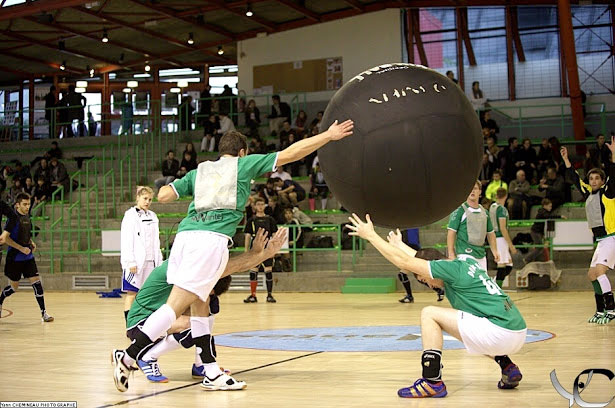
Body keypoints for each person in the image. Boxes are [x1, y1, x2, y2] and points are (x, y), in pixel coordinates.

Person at [112, 120, 354, 392]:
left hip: (184, 237)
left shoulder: (200, 170)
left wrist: (185, 189)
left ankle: (211, 372)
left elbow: (165, 194)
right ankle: (130, 356)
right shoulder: (243, 165)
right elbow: (291, 153)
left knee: (200, 306)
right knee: (173, 307)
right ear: (242, 152)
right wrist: (329, 135)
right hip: (209, 240)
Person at [346, 215, 526, 398]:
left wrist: (371, 235)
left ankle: (432, 381)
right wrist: (400, 246)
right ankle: (508, 366)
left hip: (501, 333)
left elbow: (405, 263)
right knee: (464, 327)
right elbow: (424, 260)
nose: (430, 286)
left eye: (425, 280)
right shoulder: (465, 263)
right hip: (517, 330)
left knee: (429, 314)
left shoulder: (449, 271)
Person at [127, 228, 286, 387]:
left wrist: (259, 253)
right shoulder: (182, 267)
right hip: (141, 323)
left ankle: (201, 365)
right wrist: (263, 254)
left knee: (206, 312)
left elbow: (232, 267)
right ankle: (147, 357)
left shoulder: (189, 263)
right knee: (194, 325)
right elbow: (235, 266)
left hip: (156, 318)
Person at [562, 144, 615, 324]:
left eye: (597, 178)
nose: (593, 181)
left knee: (600, 271)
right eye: (591, 178)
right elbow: (575, 179)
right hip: (601, 241)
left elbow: (613, 176)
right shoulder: (587, 193)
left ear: (602, 181)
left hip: (611, 238)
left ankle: (611, 309)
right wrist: (566, 160)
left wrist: (613, 154)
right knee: (592, 274)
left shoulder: (608, 193)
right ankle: (600, 311)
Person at [0, 193, 53, 322]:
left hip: (27, 257)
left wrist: (30, 242)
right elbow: (6, 239)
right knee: (13, 288)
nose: (27, 207)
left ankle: (44, 313)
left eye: (28, 204)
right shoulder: (12, 219)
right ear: (17, 205)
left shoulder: (27, 216)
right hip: (15, 258)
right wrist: (21, 248)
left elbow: (26, 232)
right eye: (24, 204)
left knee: (36, 282)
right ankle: (1, 300)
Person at [120, 186, 163, 323]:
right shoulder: (130, 215)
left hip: (151, 262)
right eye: (145, 198)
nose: (147, 202)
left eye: (150, 199)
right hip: (136, 263)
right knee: (132, 293)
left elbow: (156, 240)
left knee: (148, 294)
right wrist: (130, 261)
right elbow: (127, 240)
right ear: (137, 198)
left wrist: (159, 261)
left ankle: (144, 322)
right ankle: (129, 324)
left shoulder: (153, 216)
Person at [447, 180, 499, 270]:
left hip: (481, 254)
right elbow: (451, 232)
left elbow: (490, 233)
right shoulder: (459, 211)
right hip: (465, 254)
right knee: (468, 283)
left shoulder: (485, 212)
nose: (472, 191)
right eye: (469, 189)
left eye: (475, 188)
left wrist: (494, 250)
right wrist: (451, 253)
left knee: (482, 282)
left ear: (480, 191)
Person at [243, 198, 278, 303]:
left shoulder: (270, 219)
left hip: (267, 247)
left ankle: (269, 295)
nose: (260, 206)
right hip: (255, 248)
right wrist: (246, 251)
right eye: (258, 204)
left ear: (265, 206)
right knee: (253, 271)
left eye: (262, 204)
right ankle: (253, 295)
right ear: (255, 206)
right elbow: (248, 236)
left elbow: (274, 235)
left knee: (268, 271)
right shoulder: (252, 220)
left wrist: (274, 249)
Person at [489, 188, 518, 288]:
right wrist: (511, 245)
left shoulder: (492, 207)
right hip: (500, 239)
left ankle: (496, 283)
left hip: (493, 237)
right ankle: (497, 288)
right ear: (506, 196)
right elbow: (503, 228)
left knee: (509, 265)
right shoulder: (502, 209)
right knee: (502, 265)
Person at [523, 198, 563, 264]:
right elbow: (548, 217)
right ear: (545, 205)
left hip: (538, 232)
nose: (551, 208)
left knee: (539, 247)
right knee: (539, 247)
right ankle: (527, 259)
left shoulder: (543, 212)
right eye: (550, 206)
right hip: (536, 232)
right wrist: (560, 216)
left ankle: (531, 260)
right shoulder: (543, 212)